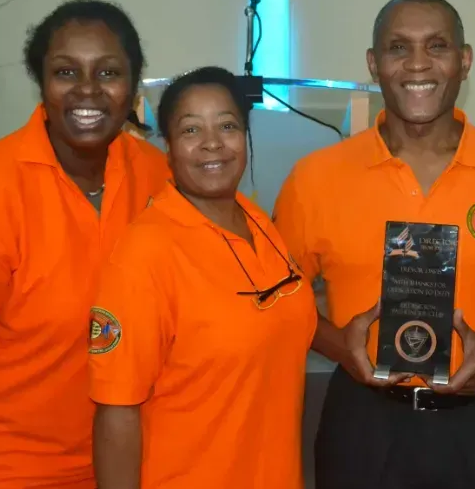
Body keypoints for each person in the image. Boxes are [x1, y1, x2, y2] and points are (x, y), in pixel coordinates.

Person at [272, 0, 475, 489]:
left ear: (465, 60)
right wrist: (339, 347)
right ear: (374, 64)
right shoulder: (315, 178)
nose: (418, 64)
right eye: (398, 48)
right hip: (364, 420)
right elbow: (280, 295)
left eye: (437, 46)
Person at [0, 0, 170, 489]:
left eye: (108, 73)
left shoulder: (158, 177)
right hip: (14, 472)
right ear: (41, 84)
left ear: (133, 87)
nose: (88, 90)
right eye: (66, 72)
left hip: (135, 465)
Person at [88, 66, 317, 489]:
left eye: (227, 126)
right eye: (191, 130)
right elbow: (116, 412)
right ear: (169, 147)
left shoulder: (258, 223)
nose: (213, 143)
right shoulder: (145, 253)